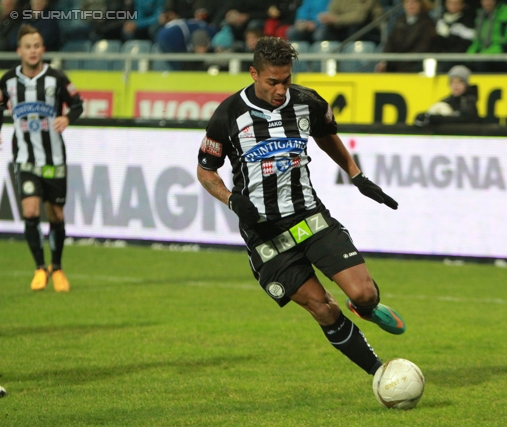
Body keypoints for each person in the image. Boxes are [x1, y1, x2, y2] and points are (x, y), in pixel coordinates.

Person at [197, 36, 405, 376]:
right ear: (254, 74)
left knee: (365, 293)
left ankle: (363, 306)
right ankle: (381, 374)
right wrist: (231, 199)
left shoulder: (307, 102)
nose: (281, 89)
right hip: (265, 235)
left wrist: (355, 175)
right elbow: (206, 170)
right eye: (273, 82)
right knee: (322, 308)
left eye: (287, 80)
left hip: (309, 217)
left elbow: (326, 136)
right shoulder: (228, 115)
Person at [0, 25, 84, 292]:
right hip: (24, 157)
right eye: (28, 46)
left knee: (56, 214)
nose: (33, 50)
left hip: (54, 159)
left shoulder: (56, 78)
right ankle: (39, 268)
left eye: (37, 46)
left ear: (43, 50)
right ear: (19, 51)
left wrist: (67, 117)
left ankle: (56, 268)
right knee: (30, 210)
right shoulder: (8, 80)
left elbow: (78, 103)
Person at [375, 0, 437, 73]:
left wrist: (402, 59)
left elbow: (423, 48)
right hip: (398, 62)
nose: (411, 5)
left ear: (420, 5)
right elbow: (391, 42)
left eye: (414, 2)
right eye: (407, 2)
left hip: (415, 64)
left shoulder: (427, 23)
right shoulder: (399, 20)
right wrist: (384, 60)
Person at [414, 64, 479, 126]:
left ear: (466, 84)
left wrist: (435, 118)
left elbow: (464, 119)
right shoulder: (446, 101)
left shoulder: (469, 101)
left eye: (460, 82)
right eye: (453, 82)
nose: (456, 85)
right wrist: (425, 117)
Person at [466, 0, 507, 72]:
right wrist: (469, 57)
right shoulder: (481, 16)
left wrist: (483, 55)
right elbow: (477, 42)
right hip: (484, 54)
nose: (487, 2)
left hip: (502, 57)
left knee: (481, 64)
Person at [317, 0, 385, 43]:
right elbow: (333, 11)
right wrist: (328, 18)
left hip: (369, 27)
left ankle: (352, 60)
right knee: (328, 30)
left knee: (354, 28)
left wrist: (336, 19)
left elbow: (359, 17)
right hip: (346, 26)